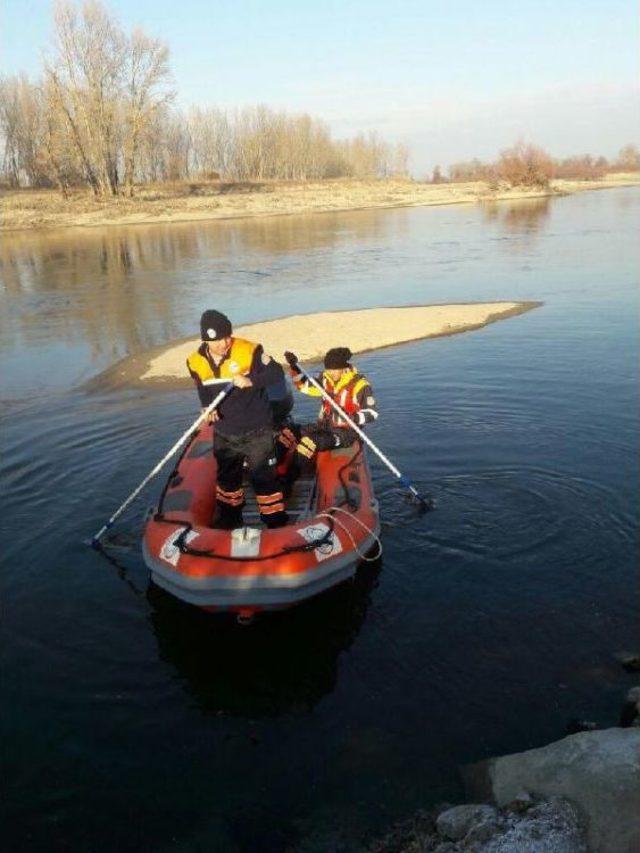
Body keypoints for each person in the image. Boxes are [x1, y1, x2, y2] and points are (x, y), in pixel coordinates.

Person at [187, 310, 288, 529]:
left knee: (264, 478)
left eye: (227, 337)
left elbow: (277, 374)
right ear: (205, 339)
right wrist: (207, 406)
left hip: (257, 428)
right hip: (225, 431)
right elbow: (201, 387)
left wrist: (250, 380)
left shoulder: (250, 351)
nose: (224, 343)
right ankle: (231, 519)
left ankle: (275, 522)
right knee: (227, 479)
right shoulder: (194, 362)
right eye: (217, 340)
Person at [284, 347, 378, 473]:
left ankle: (293, 475)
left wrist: (353, 417)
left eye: (334, 369)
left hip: (345, 433)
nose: (330, 372)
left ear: (344, 368)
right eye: (328, 369)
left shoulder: (360, 385)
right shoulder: (325, 379)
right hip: (325, 427)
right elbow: (304, 387)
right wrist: (294, 367)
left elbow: (372, 413)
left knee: (310, 441)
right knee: (290, 430)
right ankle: (280, 467)